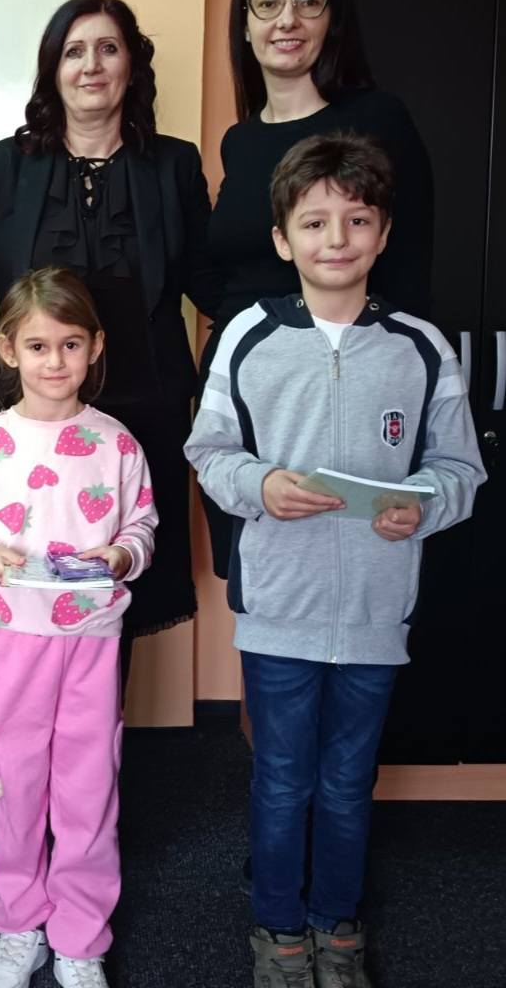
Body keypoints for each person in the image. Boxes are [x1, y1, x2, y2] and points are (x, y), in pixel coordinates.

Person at [185, 133, 485, 988]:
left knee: (350, 778)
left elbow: (461, 469)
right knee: (282, 779)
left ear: (383, 233)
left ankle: (336, 922)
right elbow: (208, 451)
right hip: (279, 606)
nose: (337, 238)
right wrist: (261, 485)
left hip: (377, 611)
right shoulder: (247, 337)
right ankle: (279, 928)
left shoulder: (420, 347)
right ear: (283, 239)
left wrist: (424, 502)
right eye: (314, 222)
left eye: (356, 220)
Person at [0, 0, 220, 654]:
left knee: (116, 580)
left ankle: (99, 721)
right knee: (27, 572)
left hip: (145, 409)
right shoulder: (2, 167)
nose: (92, 65)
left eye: (109, 48)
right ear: (53, 68)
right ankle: (24, 720)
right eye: (74, 51)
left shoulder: (175, 165)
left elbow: (211, 283)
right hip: (34, 415)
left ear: (132, 65)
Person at [0, 266, 157, 988]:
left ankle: (81, 935)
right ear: (8, 350)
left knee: (89, 788)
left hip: (90, 639)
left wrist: (121, 555)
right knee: (16, 782)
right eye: (37, 346)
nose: (54, 362)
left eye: (69, 345)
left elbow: (142, 527)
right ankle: (19, 920)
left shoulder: (117, 444)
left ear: (95, 346)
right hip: (10, 639)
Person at [203, 0, 435, 577]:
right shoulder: (240, 141)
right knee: (257, 579)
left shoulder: (379, 119)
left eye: (308, 1)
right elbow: (228, 272)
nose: (287, 20)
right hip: (248, 389)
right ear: (245, 24)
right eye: (267, 3)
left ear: (333, 18)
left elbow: (410, 269)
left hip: (344, 388)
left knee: (349, 571)